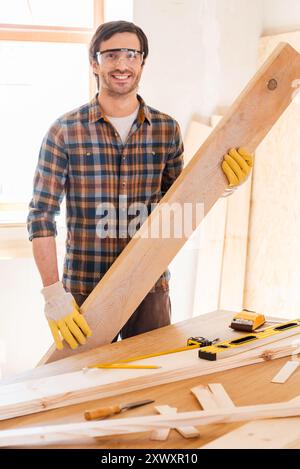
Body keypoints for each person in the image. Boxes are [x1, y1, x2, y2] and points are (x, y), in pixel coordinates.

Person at [27, 21, 253, 351]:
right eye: (112, 54)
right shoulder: (65, 131)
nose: (122, 64)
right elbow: (40, 216)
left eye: (132, 54)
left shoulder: (165, 129)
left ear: (142, 62)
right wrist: (53, 295)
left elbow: (181, 201)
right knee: (83, 385)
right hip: (84, 291)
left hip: (150, 287)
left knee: (150, 384)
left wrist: (225, 183)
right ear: (94, 62)